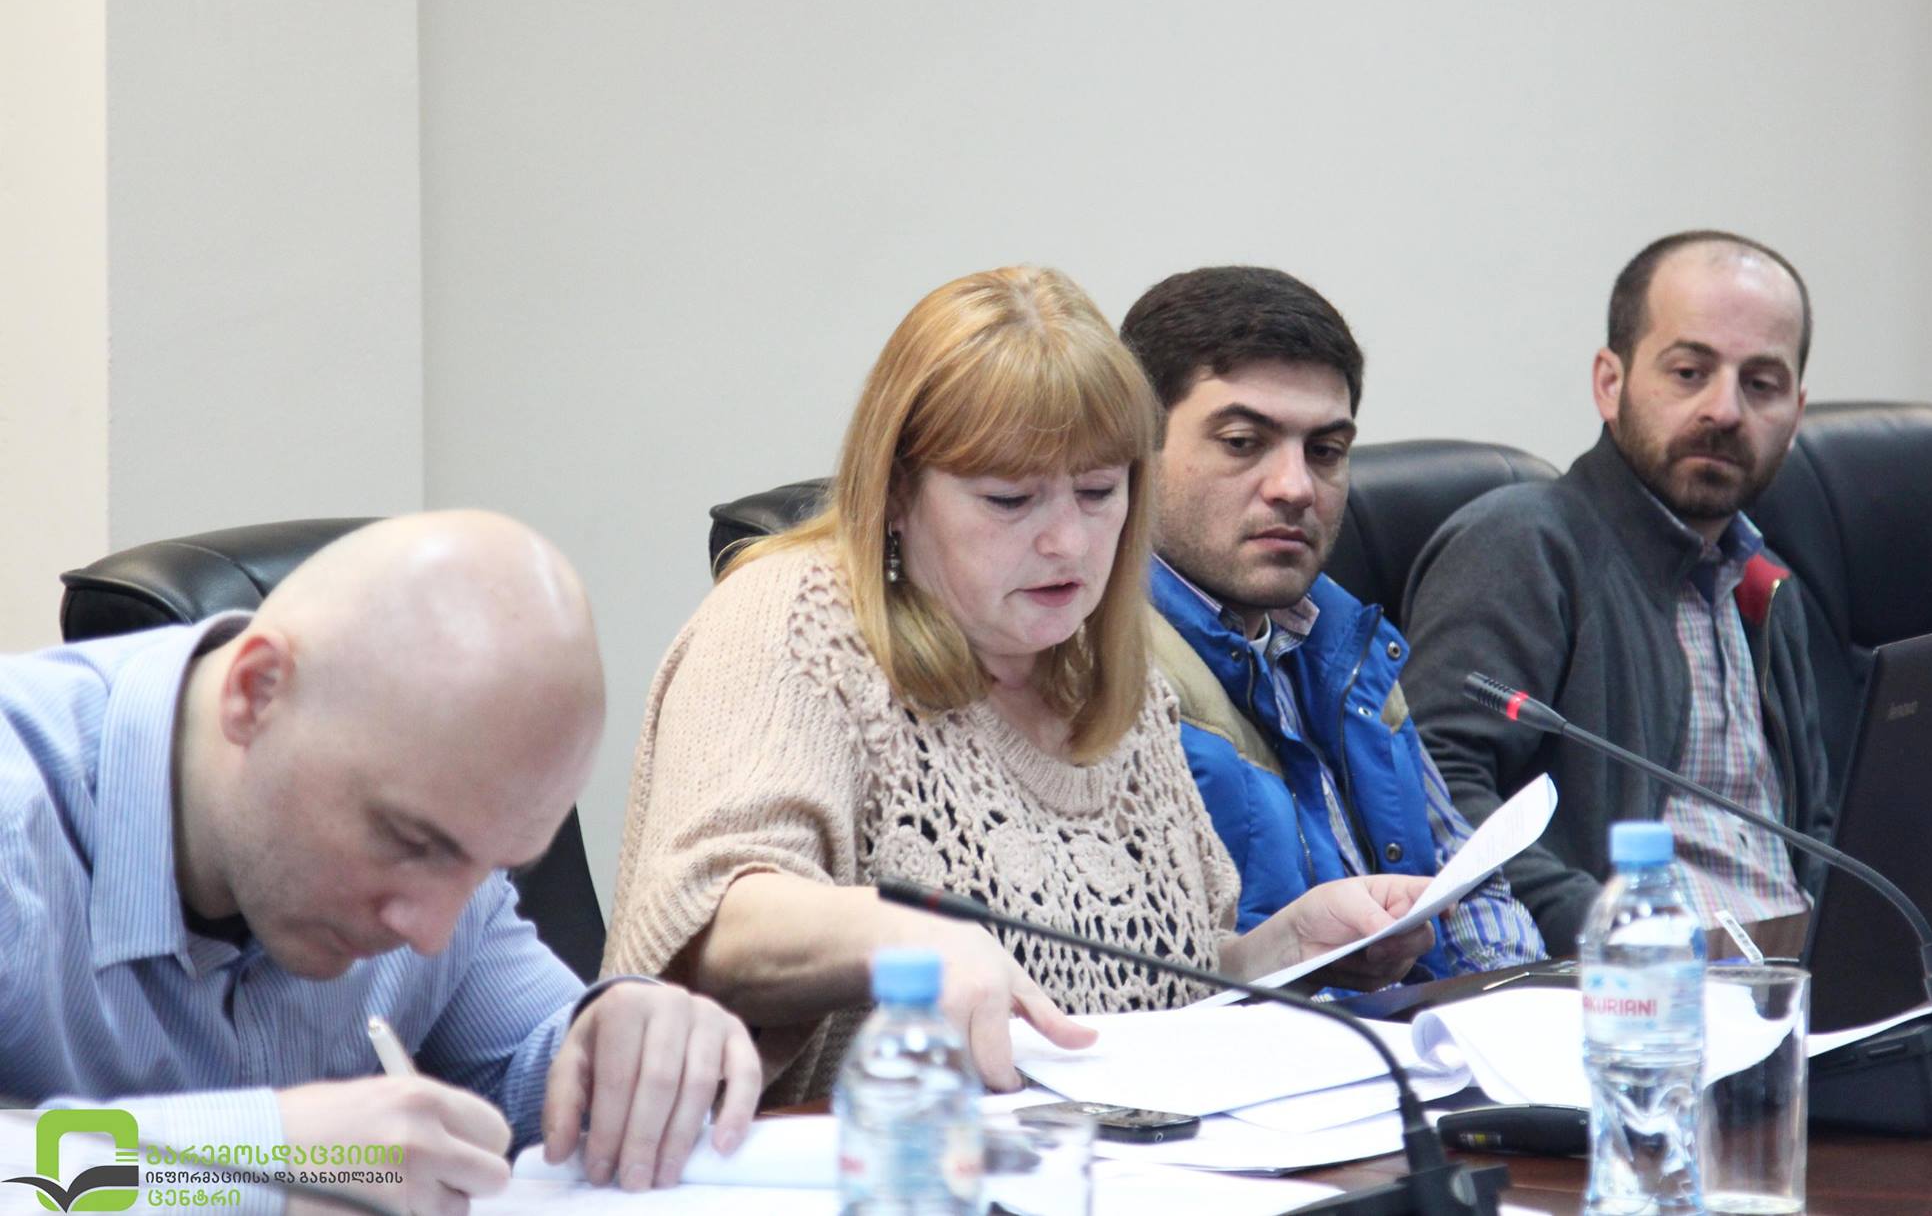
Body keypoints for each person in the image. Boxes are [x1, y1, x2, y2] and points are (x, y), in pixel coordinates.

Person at [604, 265, 1437, 1104]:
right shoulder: (792, 618)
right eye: (1010, 499)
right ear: (897, 491)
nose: (1068, 542)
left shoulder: (1109, 677)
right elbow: (713, 922)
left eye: (1098, 491)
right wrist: (906, 938)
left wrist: (1285, 952)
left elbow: (1150, 986)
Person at [0, 512, 761, 1212]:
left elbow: (527, 1072)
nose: (429, 932)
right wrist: (260, 1153)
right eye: (409, 841)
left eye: (485, 866)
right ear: (257, 691)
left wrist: (625, 1044)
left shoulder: (439, 857)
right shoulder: (16, 808)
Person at [1401, 231, 1834, 953]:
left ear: (1796, 413)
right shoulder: (1524, 545)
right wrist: (1615, 933)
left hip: (1794, 976)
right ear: (1610, 382)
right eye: (1689, 372)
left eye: (1761, 384)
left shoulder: (1766, 585)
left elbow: (1813, 832)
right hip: (1634, 992)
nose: (1725, 410)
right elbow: (1435, 785)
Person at [1119, 266, 1545, 979]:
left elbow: (1464, 886)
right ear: (1136, 446)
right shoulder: (1097, 668)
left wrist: (1515, 1007)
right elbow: (1146, 982)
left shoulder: (1345, 638)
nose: (1295, 488)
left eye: (1324, 452)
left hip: (1423, 1038)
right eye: (1242, 442)